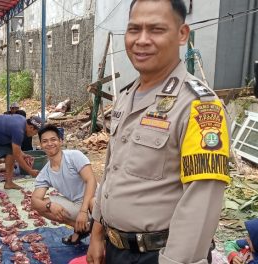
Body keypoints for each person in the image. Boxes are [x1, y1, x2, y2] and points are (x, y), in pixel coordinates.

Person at [87, 1, 231, 264]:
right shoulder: (127, 96)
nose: (142, 40)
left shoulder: (199, 107)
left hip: (160, 256)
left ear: (181, 34)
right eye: (134, 29)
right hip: (115, 248)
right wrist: (97, 233)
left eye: (156, 29)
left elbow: (202, 202)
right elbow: (111, 170)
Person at [31, 124, 97, 245]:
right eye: (45, 141)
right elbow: (35, 200)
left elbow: (91, 180)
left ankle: (102, 235)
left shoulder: (74, 156)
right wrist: (49, 206)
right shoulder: (45, 172)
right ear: (40, 145)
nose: (49, 144)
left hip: (96, 202)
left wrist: (83, 211)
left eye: (53, 139)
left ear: (61, 141)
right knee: (41, 205)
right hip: (77, 205)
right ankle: (83, 228)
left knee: (93, 202)